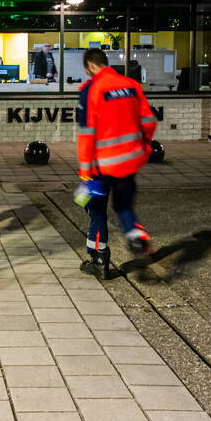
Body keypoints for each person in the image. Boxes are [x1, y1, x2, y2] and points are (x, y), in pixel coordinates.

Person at [76, 48, 157, 279]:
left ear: (91, 65)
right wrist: (144, 147)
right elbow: (149, 120)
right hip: (129, 161)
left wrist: (84, 168)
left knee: (96, 211)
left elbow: (87, 132)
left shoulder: (92, 89)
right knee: (123, 206)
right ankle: (136, 235)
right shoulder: (131, 85)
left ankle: (99, 260)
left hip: (101, 165)